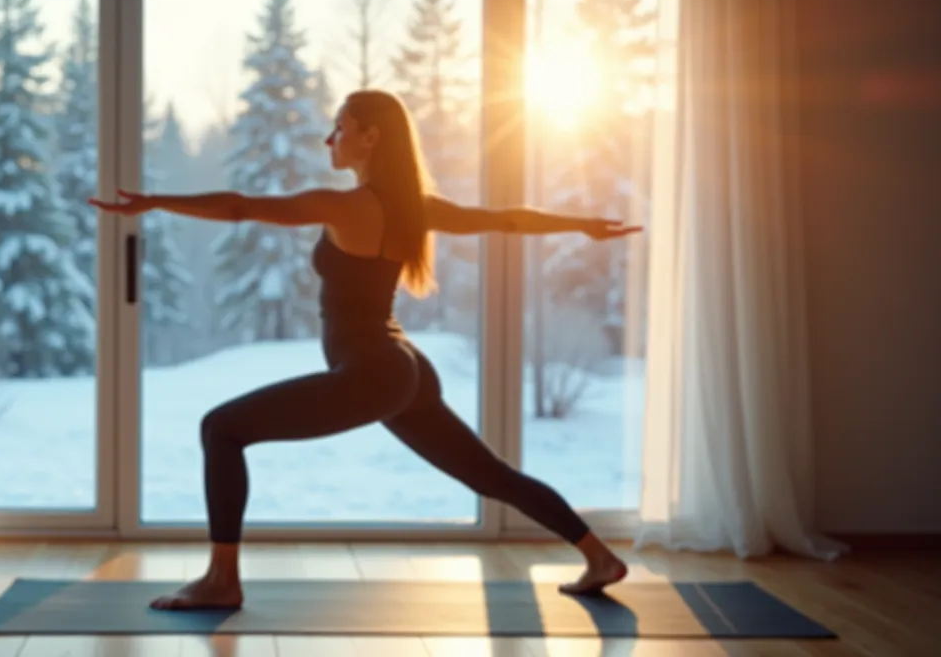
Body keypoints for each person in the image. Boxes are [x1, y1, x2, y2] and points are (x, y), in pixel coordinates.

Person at [90, 89, 642, 611]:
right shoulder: (414, 207)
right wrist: (583, 225)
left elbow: (241, 208)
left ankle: (221, 580)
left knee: (221, 429)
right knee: (490, 474)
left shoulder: (349, 206)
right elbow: (505, 219)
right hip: (399, 366)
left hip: (376, 371)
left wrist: (157, 201)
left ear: (371, 138)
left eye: (340, 128)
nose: (330, 139)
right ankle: (599, 557)